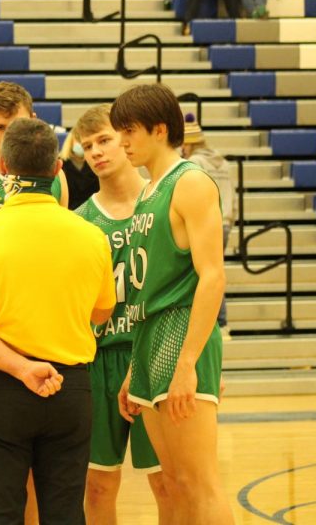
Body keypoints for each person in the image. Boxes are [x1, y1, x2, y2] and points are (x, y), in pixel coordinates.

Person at [0, 117, 116, 524]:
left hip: (3, 387)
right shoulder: (91, 236)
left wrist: (22, 368)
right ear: (57, 169)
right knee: (66, 512)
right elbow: (102, 311)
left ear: (2, 167)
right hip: (70, 387)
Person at [113, 83, 233, 525]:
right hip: (148, 334)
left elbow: (213, 276)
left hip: (181, 329)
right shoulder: (148, 191)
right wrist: (135, 365)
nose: (122, 142)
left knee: (200, 483)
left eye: (129, 131)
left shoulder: (192, 183)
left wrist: (188, 361)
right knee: (174, 482)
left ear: (160, 129)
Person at [70, 105, 171, 525]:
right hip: (99, 360)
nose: (96, 152)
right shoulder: (78, 222)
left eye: (105, 140)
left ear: (125, 139)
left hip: (152, 354)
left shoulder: (163, 200)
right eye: (87, 145)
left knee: (167, 483)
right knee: (96, 485)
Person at [0, 81, 68, 214]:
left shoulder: (56, 175)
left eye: (17, 124)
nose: (10, 134)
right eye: (0, 128)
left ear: (33, 121)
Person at [181, 113, 235, 336]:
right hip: (225, 222)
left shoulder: (194, 163)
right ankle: (222, 323)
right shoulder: (224, 163)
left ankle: (216, 323)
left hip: (206, 222)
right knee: (215, 270)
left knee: (206, 274)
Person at [60, 132, 98, 211]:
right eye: (78, 140)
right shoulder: (60, 165)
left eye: (85, 142)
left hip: (93, 211)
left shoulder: (96, 162)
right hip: (68, 212)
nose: (81, 144)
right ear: (70, 142)